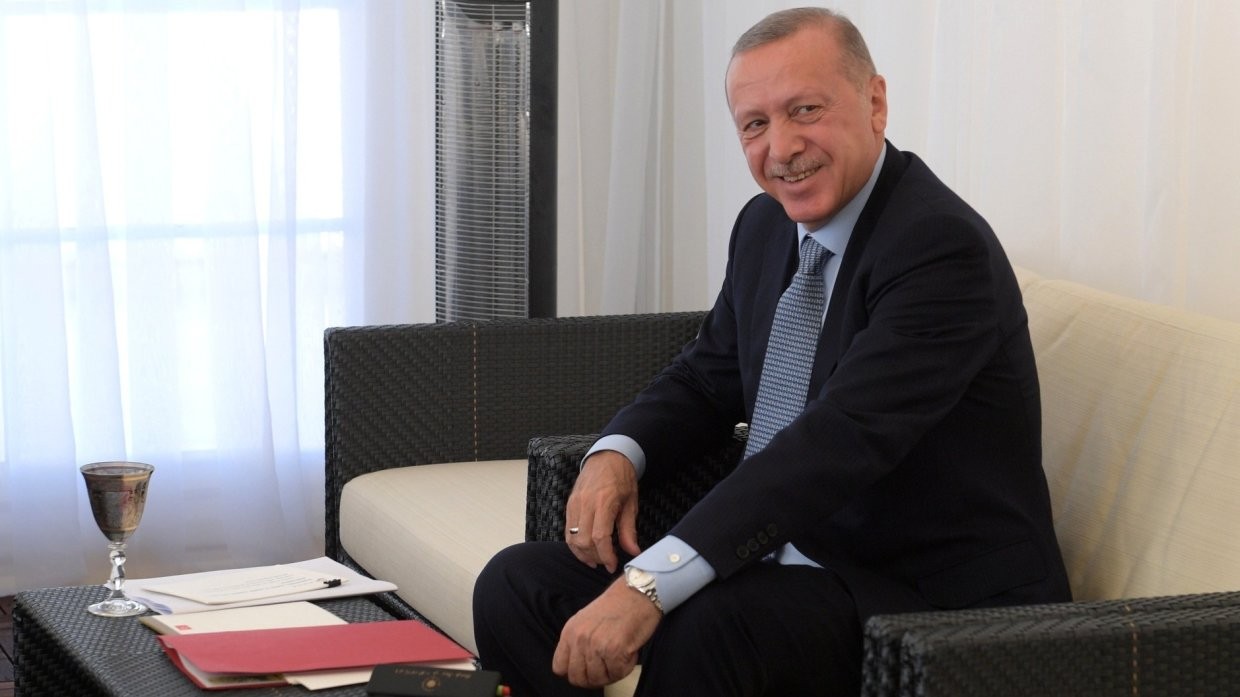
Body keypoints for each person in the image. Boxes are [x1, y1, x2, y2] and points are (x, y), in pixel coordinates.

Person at [473, 7, 1071, 696]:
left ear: (875, 103)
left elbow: (836, 442)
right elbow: (707, 378)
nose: (781, 148)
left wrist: (650, 584)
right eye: (754, 124)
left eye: (805, 109)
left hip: (926, 597)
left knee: (717, 625)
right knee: (517, 585)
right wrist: (617, 453)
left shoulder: (938, 248)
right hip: (780, 561)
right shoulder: (765, 225)